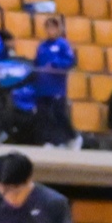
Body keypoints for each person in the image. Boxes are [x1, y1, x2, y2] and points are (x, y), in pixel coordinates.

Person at [31, 16, 78, 145]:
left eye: (53, 27)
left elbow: (70, 61)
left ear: (58, 29)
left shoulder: (63, 44)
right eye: (48, 27)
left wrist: (55, 64)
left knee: (59, 113)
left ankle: (72, 137)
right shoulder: (42, 46)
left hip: (57, 87)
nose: (50, 30)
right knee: (44, 115)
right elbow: (37, 62)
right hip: (42, 87)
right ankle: (50, 141)